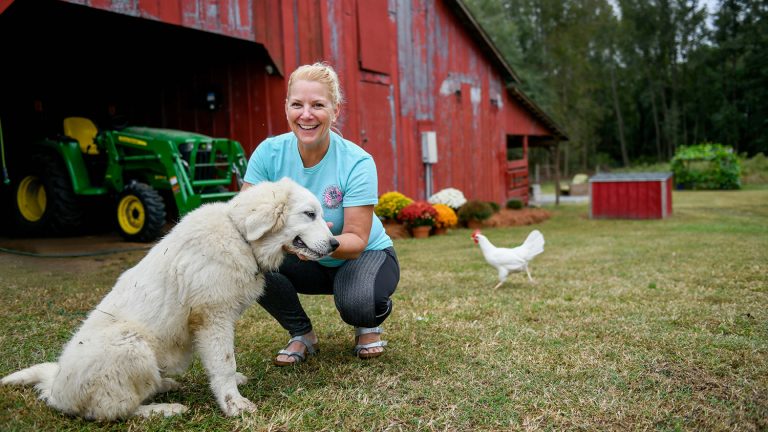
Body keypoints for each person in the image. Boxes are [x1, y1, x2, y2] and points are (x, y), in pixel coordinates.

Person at [241, 62, 399, 365]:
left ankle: (368, 322)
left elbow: (356, 239)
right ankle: (301, 333)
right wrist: (295, 242)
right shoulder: (268, 153)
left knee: (357, 304)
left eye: (318, 105)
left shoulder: (357, 161)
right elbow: (245, 221)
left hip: (361, 255)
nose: (306, 114)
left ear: (335, 111)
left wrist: (320, 241)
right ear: (286, 107)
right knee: (246, 258)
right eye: (297, 104)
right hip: (300, 257)